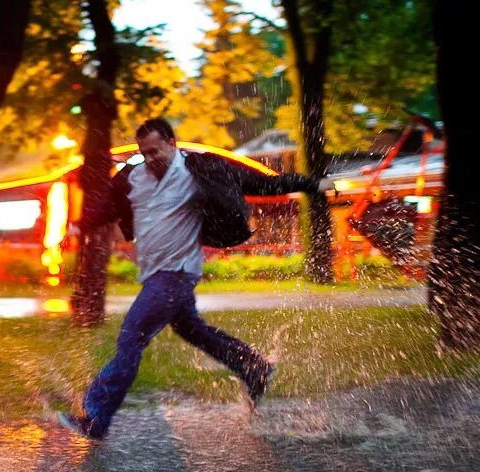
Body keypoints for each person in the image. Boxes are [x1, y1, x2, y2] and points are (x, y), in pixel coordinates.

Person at [58, 118, 334, 440]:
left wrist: (313, 185)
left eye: (155, 151)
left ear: (172, 144)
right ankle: (253, 366)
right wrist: (79, 225)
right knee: (192, 329)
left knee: (131, 338)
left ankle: (95, 418)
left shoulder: (200, 170)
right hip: (155, 275)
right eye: (143, 153)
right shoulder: (134, 177)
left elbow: (259, 183)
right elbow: (107, 205)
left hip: (174, 275)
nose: (150, 159)